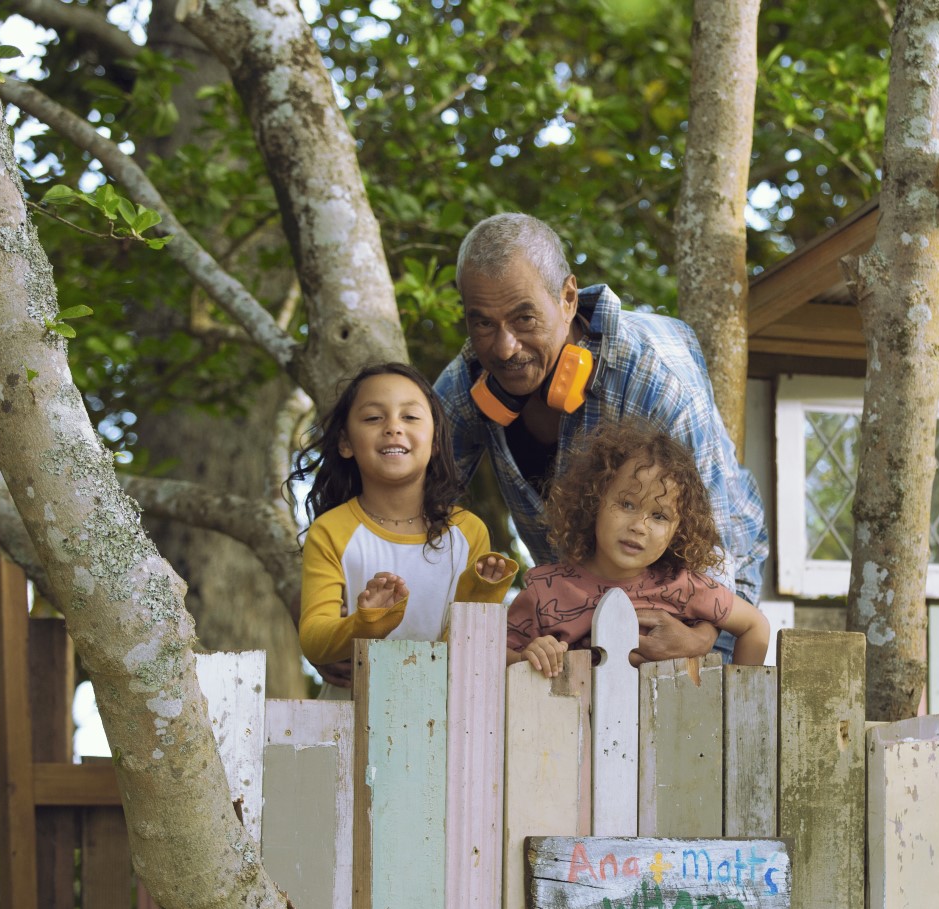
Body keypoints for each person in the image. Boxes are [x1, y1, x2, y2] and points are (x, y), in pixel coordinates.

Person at [435, 212, 768, 661]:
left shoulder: (657, 381)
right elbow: (405, 490)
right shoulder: (470, 378)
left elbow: (719, 543)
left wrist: (702, 638)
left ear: (568, 298)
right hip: (573, 601)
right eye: (482, 324)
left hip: (702, 584)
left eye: (524, 318)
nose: (504, 347)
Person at [295, 362, 516, 690]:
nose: (392, 427)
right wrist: (365, 625)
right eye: (373, 417)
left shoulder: (469, 532)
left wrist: (480, 597)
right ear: (345, 442)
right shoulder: (331, 530)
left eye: (410, 417)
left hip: (446, 719)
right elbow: (314, 638)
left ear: (437, 440)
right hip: (348, 721)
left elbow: (465, 649)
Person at [507, 423, 769, 676]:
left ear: (679, 529)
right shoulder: (544, 592)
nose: (639, 526)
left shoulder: (685, 587)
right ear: (594, 500)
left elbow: (755, 626)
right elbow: (489, 654)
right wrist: (526, 656)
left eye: (659, 516)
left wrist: (740, 710)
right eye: (627, 504)